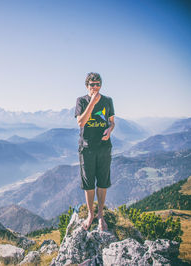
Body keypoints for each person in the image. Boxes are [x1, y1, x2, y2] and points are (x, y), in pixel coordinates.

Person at [75, 72, 115, 231]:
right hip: (87, 148)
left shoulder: (108, 101)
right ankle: (90, 215)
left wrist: (110, 130)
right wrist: (92, 102)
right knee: (88, 183)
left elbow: (112, 122)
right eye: (92, 84)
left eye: (98, 84)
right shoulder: (81, 101)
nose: (95, 87)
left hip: (104, 147)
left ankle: (100, 216)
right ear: (87, 86)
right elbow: (81, 122)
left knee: (103, 182)